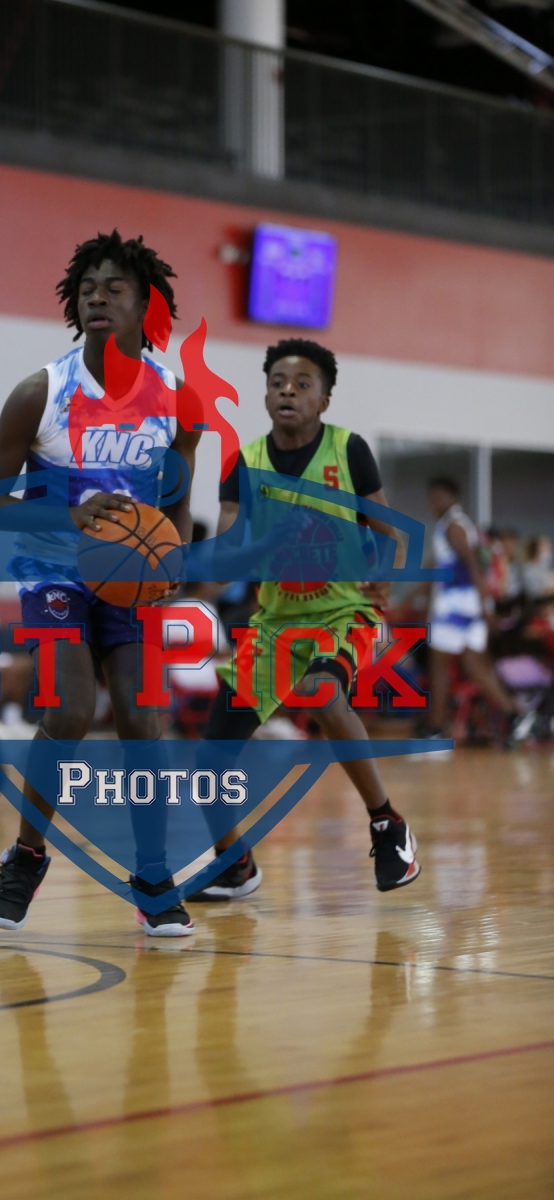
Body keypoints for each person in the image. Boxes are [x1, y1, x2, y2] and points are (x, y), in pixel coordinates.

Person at [0, 231, 210, 937]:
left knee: (141, 715)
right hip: (52, 570)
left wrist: (174, 559)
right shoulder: (41, 392)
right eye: (87, 290)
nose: (97, 298)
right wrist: (66, 514)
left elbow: (176, 498)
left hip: (129, 580)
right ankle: (25, 856)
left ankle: (153, 874)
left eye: (114, 288)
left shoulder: (177, 399)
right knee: (71, 709)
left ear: (146, 304)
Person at [190, 338, 422, 898]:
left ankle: (387, 823)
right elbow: (224, 563)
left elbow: (392, 533)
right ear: (265, 394)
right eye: (277, 383)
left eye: (302, 384)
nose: (287, 392)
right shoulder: (243, 463)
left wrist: (387, 574)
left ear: (324, 399)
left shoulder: (349, 450)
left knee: (322, 692)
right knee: (208, 759)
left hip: (343, 611)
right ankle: (234, 865)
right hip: (275, 624)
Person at [425, 476, 518, 737]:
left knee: (438, 666)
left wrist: (485, 605)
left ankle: (436, 726)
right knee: (474, 665)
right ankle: (514, 715)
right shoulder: (457, 524)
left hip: (455, 605)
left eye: (437, 498)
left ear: (450, 497)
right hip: (468, 604)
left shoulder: (454, 526)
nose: (432, 504)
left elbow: (473, 565)